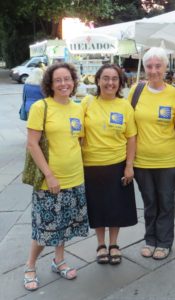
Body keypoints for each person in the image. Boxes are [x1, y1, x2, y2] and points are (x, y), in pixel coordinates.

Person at [24, 63, 89, 291]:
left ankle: (58, 260)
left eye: (67, 79)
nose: (64, 84)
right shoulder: (41, 107)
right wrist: (49, 175)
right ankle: (30, 266)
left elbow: (78, 140)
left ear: (74, 82)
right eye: (58, 80)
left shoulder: (77, 107)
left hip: (75, 177)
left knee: (64, 225)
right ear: (50, 84)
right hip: (49, 181)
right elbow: (32, 144)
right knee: (44, 228)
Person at [128, 47, 175, 260]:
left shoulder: (174, 94)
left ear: (165, 67)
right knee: (150, 202)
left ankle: (164, 242)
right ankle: (150, 239)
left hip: (168, 159)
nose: (153, 70)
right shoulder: (136, 91)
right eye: (149, 66)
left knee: (166, 201)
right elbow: (127, 122)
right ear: (144, 69)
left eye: (158, 66)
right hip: (142, 160)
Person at [81, 64, 137, 265]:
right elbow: (78, 134)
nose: (110, 82)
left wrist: (129, 165)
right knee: (98, 207)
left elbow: (131, 137)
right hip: (92, 166)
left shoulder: (125, 106)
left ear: (120, 82)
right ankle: (100, 244)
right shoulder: (87, 103)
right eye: (105, 78)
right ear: (97, 80)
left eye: (114, 78)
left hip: (117, 164)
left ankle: (114, 244)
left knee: (116, 207)